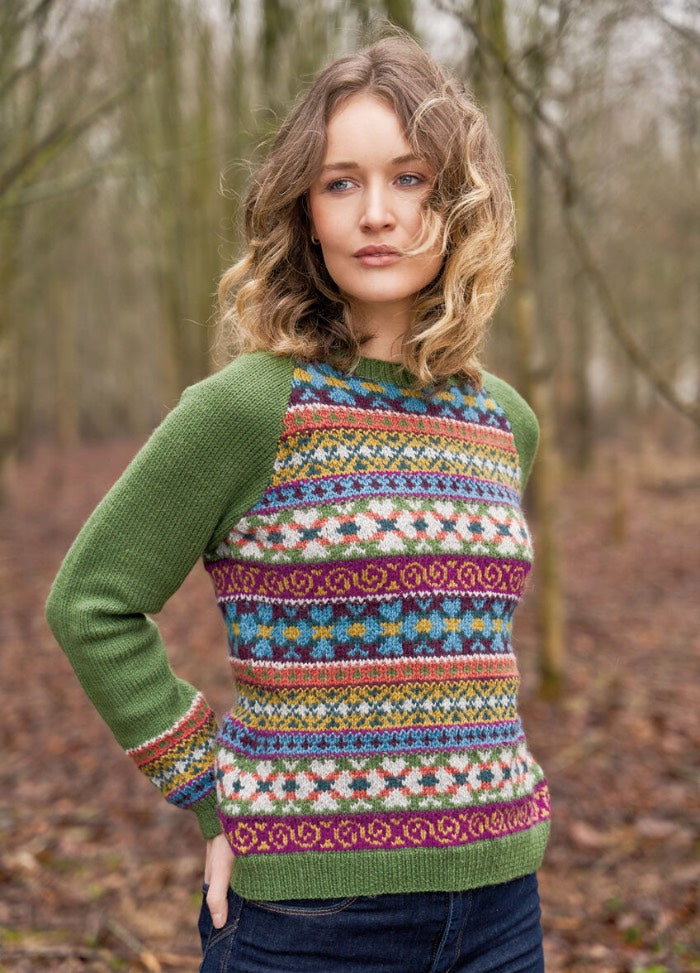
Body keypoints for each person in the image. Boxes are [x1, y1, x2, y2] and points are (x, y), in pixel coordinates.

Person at [46, 30, 549, 973]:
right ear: (304, 211)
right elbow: (91, 600)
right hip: (315, 926)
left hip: (502, 912)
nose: (377, 214)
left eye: (410, 179)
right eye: (340, 182)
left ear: (460, 204)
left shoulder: (505, 423)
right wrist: (210, 790)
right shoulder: (251, 407)